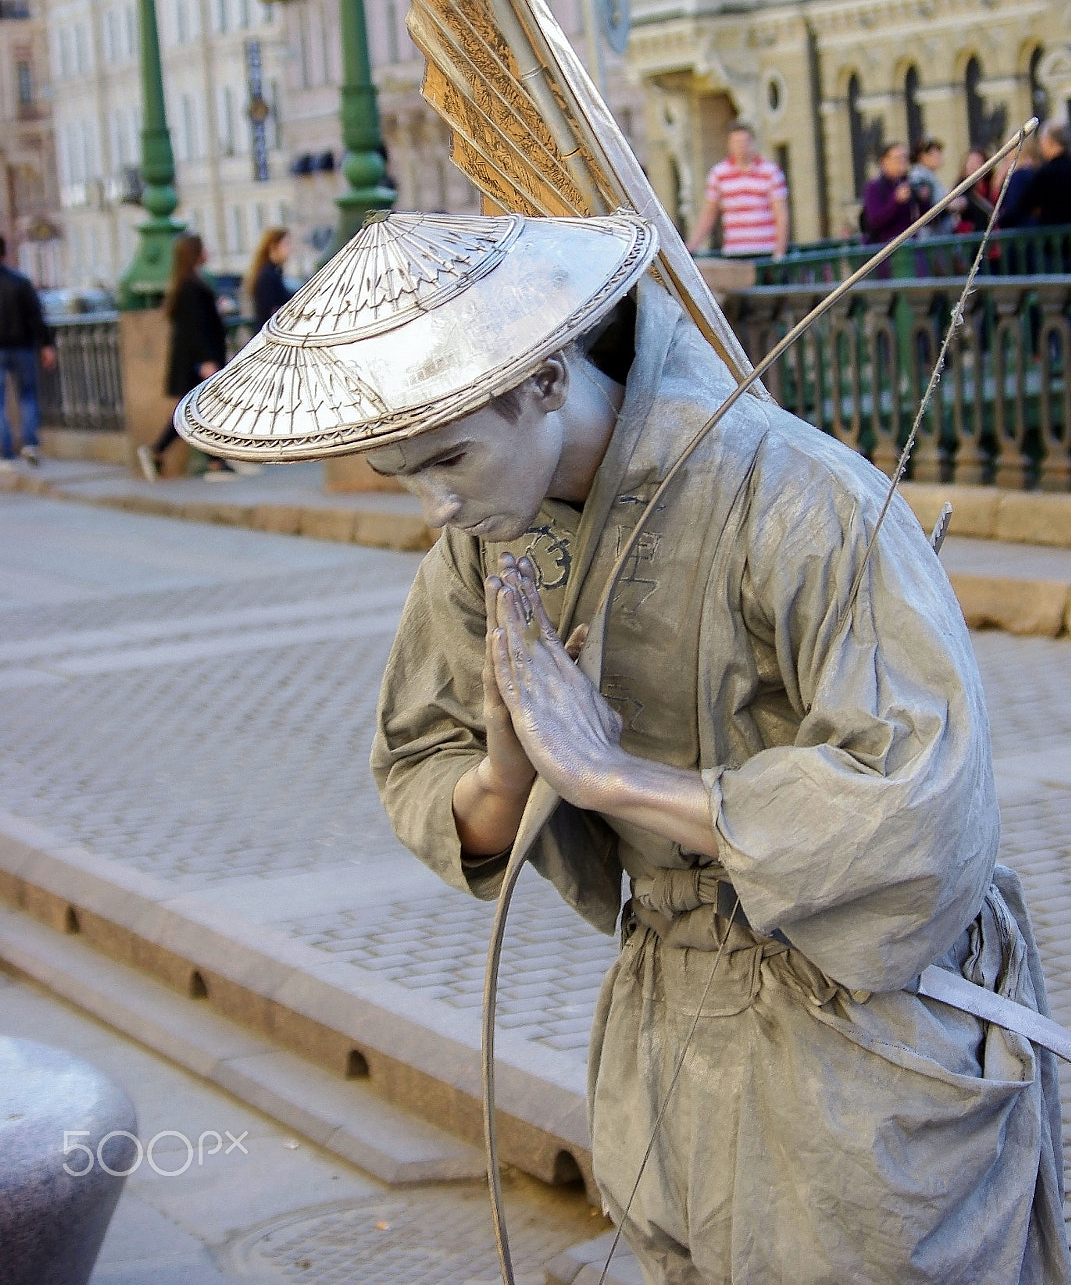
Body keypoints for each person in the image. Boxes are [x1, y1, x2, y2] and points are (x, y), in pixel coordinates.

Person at [177, 210, 1068, 1285]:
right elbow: (422, 762)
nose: (436, 505)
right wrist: (513, 765)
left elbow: (920, 801)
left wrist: (611, 776)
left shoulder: (798, 497)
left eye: (452, 456)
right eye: (398, 472)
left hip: (858, 1032)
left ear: (547, 378)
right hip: (668, 1017)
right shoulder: (478, 549)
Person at [137, 233, 235, 481]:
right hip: (198, 361)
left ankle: (209, 459)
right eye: (203, 248)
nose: (208, 251)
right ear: (195, 254)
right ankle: (209, 460)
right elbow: (195, 327)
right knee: (197, 411)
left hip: (193, 360)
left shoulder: (187, 283)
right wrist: (206, 360)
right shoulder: (191, 286)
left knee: (195, 410)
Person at [687, 122, 789, 259]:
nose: (741, 147)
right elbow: (708, 214)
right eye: (736, 142)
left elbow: (781, 214)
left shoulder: (770, 172)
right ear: (729, 145)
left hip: (765, 250)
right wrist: (691, 246)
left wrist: (779, 252)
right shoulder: (719, 174)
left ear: (753, 143)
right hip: (734, 251)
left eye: (745, 141)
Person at [0, 233, 56, 468]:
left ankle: (5, 454)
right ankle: (30, 443)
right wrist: (46, 344)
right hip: (22, 346)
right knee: (28, 396)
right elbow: (36, 316)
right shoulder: (20, 281)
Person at [1002, 118, 1071, 227]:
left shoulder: (1047, 173)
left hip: (1052, 236)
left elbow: (1024, 205)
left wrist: (1001, 220)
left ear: (1050, 142)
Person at [861, 140, 922, 244]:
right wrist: (896, 201)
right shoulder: (874, 187)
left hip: (910, 248)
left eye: (905, 157)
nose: (902, 161)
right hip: (885, 249)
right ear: (884, 161)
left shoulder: (909, 182)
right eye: (898, 158)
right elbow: (875, 220)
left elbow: (922, 218)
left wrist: (922, 198)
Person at [246, 227, 293, 333]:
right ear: (273, 247)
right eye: (286, 244)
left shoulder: (272, 272)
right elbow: (269, 310)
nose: (290, 249)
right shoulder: (266, 275)